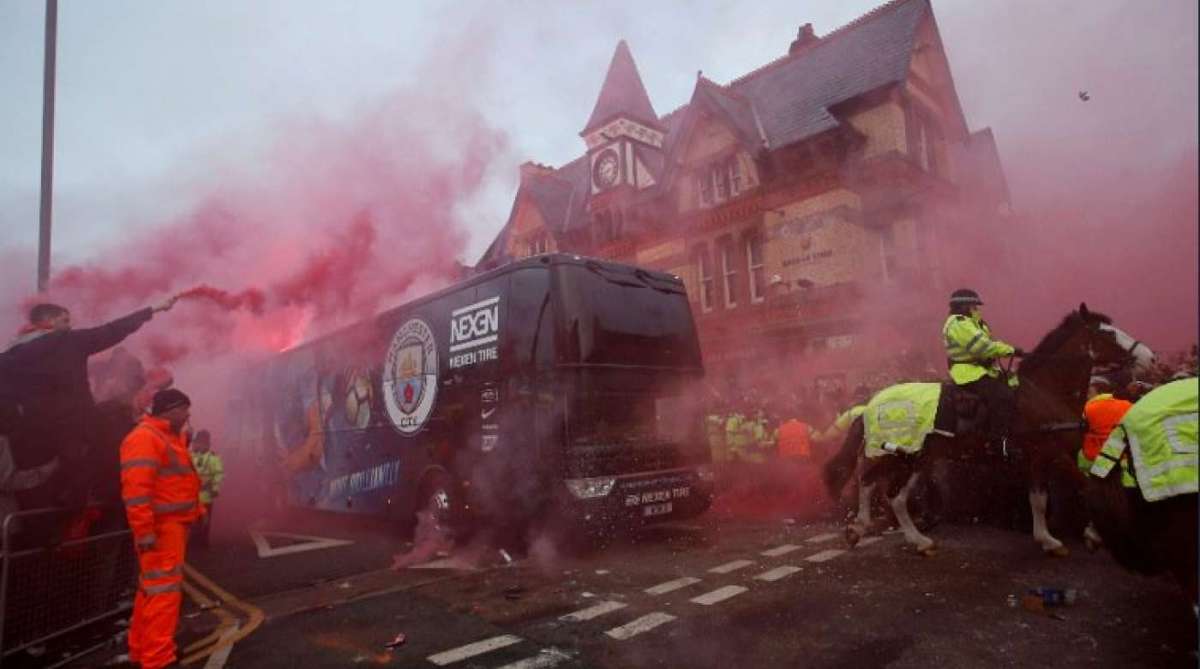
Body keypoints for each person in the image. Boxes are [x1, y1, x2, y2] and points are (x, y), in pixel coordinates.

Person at [1, 297, 177, 507]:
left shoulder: (11, 355)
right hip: (76, 429)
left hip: (27, 438)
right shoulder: (68, 341)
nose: (70, 325)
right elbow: (112, 330)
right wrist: (154, 308)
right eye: (65, 320)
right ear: (49, 322)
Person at [120, 388, 202, 669]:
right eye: (184, 409)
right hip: (161, 531)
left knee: (151, 593)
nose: (188, 414)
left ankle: (142, 652)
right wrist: (144, 533)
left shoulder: (168, 436)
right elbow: (136, 493)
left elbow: (179, 482)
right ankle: (158, 659)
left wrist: (196, 511)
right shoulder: (145, 438)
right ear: (169, 409)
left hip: (170, 528)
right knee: (164, 596)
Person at [942, 289, 1021, 453]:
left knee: (1015, 386)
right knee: (1002, 397)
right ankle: (998, 444)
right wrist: (1010, 350)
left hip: (981, 369)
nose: (977, 309)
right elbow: (983, 347)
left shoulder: (972, 322)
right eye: (974, 306)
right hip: (968, 372)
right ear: (963, 306)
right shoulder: (958, 323)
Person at [189, 429, 223, 548]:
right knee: (192, 520)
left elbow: (218, 474)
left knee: (205, 520)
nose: (199, 445)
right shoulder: (190, 456)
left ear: (207, 444)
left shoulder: (213, 458)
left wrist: (215, 488)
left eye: (202, 443)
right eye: (197, 442)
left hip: (206, 496)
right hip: (191, 496)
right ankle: (192, 541)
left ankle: (203, 542)